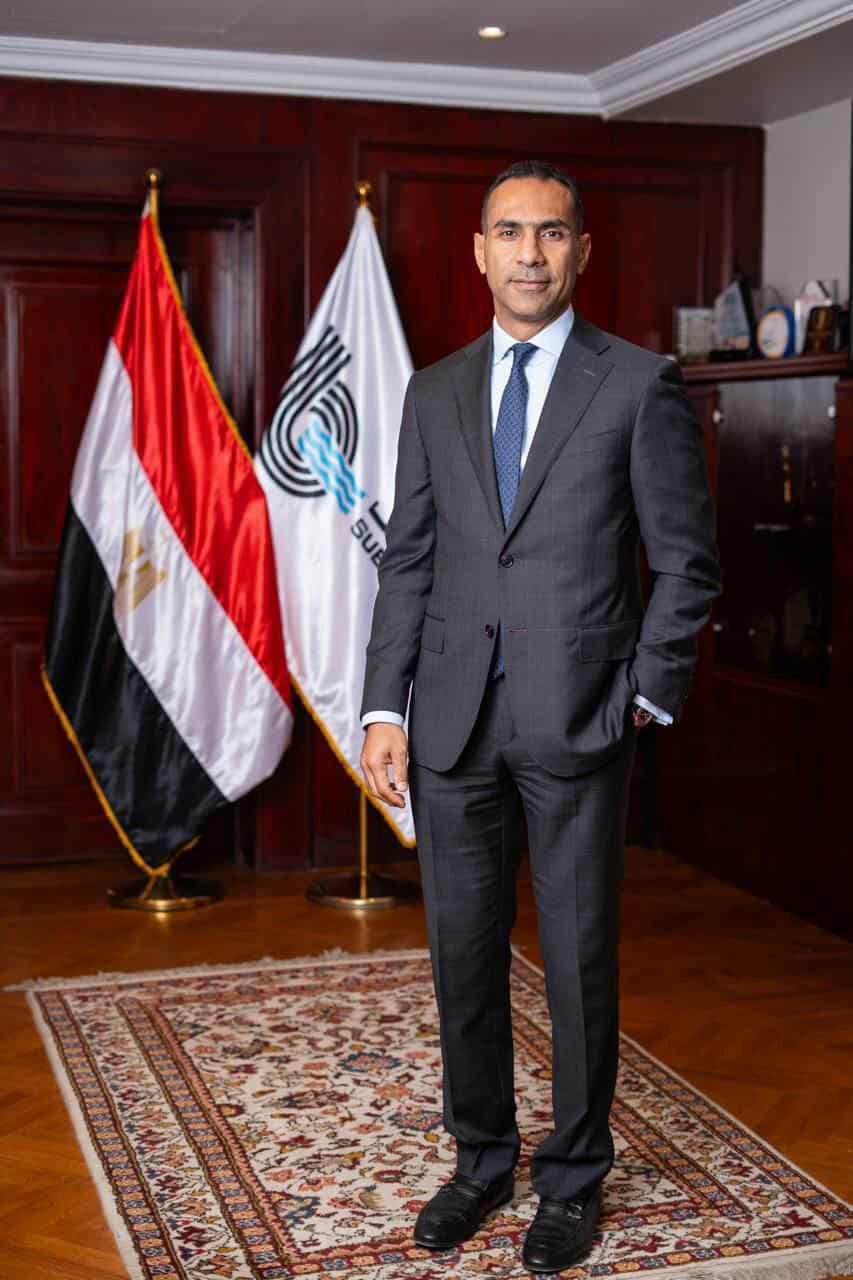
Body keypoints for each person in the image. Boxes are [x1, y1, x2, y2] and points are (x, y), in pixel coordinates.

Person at [359, 159, 720, 1273]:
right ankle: (479, 1160)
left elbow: (687, 562)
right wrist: (381, 706)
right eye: (510, 232)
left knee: (576, 960)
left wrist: (643, 695)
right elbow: (410, 560)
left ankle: (571, 1178)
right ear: (479, 252)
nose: (529, 253)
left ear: (580, 250)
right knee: (461, 957)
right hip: (450, 721)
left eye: (551, 233)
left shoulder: (639, 384)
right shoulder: (434, 390)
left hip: (581, 717)